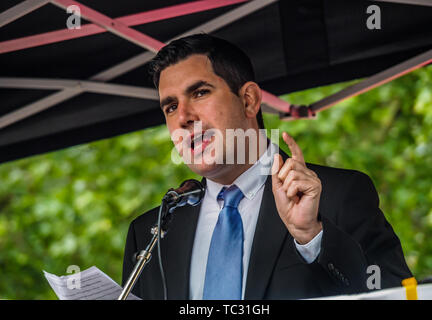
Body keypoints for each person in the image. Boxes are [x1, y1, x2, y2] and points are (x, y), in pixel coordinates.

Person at [122, 34, 412, 300]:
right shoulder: (150, 231)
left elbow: (398, 296)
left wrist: (312, 236)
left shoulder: (338, 194)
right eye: (170, 107)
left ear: (249, 100)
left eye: (199, 92)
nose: (183, 116)